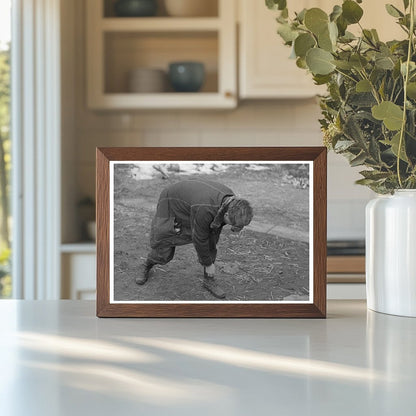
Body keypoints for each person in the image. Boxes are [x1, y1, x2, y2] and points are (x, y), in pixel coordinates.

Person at [136, 179, 253, 299]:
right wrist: (208, 263)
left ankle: (208, 279)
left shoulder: (232, 202)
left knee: (212, 240)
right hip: (171, 200)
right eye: (232, 224)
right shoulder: (205, 209)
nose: (232, 227)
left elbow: (211, 235)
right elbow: (200, 239)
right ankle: (147, 264)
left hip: (193, 203)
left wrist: (236, 225)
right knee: (165, 243)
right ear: (227, 215)